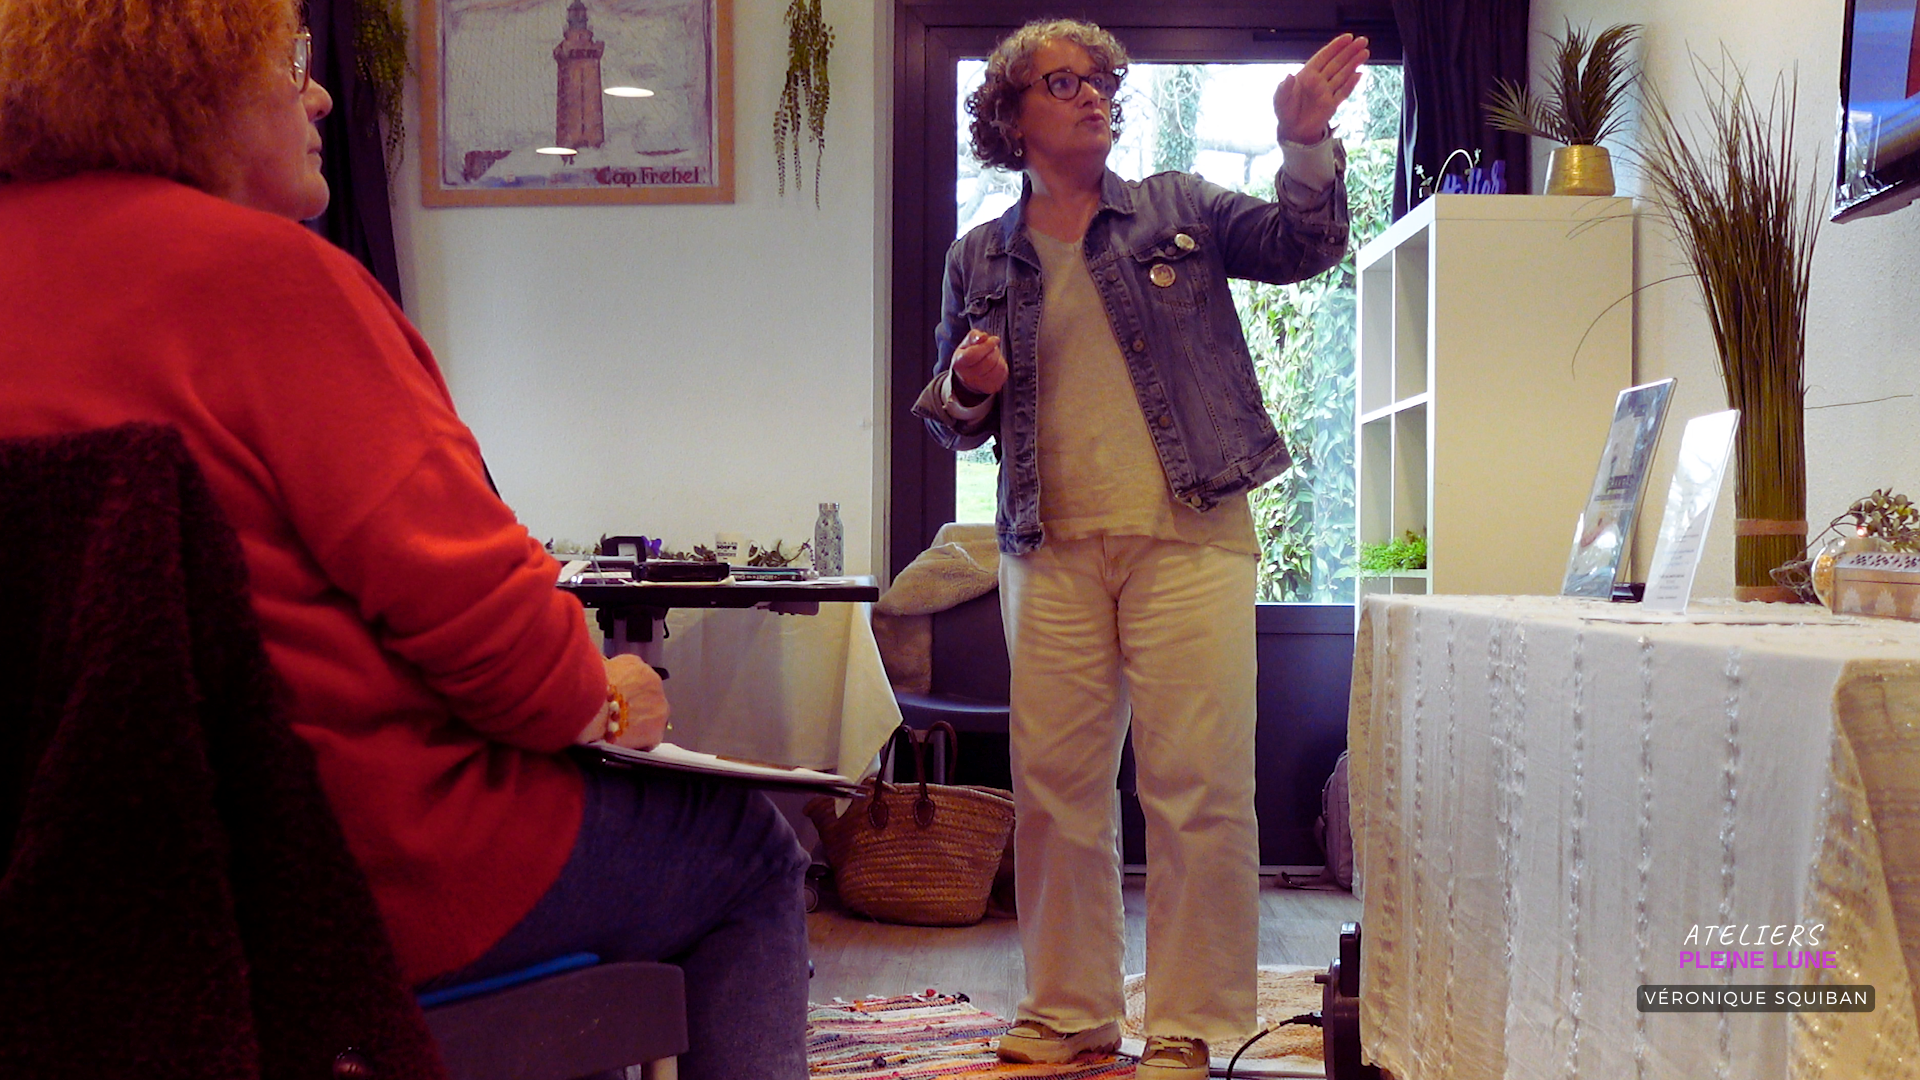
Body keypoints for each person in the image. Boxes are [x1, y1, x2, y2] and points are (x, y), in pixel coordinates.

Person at [0, 1, 807, 1076]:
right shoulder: (265, 279)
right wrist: (605, 690)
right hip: (343, 883)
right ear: (184, 80)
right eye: (290, 62)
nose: (320, 91)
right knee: (748, 851)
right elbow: (502, 650)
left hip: (77, 909)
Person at [912, 19, 1366, 1079]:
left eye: (1103, 81)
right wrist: (968, 389)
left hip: (1191, 533)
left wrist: (1302, 142)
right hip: (1047, 545)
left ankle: (1194, 1023)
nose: (1092, 97)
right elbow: (946, 410)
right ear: (1012, 115)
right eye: (1062, 83)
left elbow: (1305, 246)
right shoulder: (980, 253)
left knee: (1198, 786)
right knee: (1059, 788)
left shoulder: (1178, 207)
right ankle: (1069, 1011)